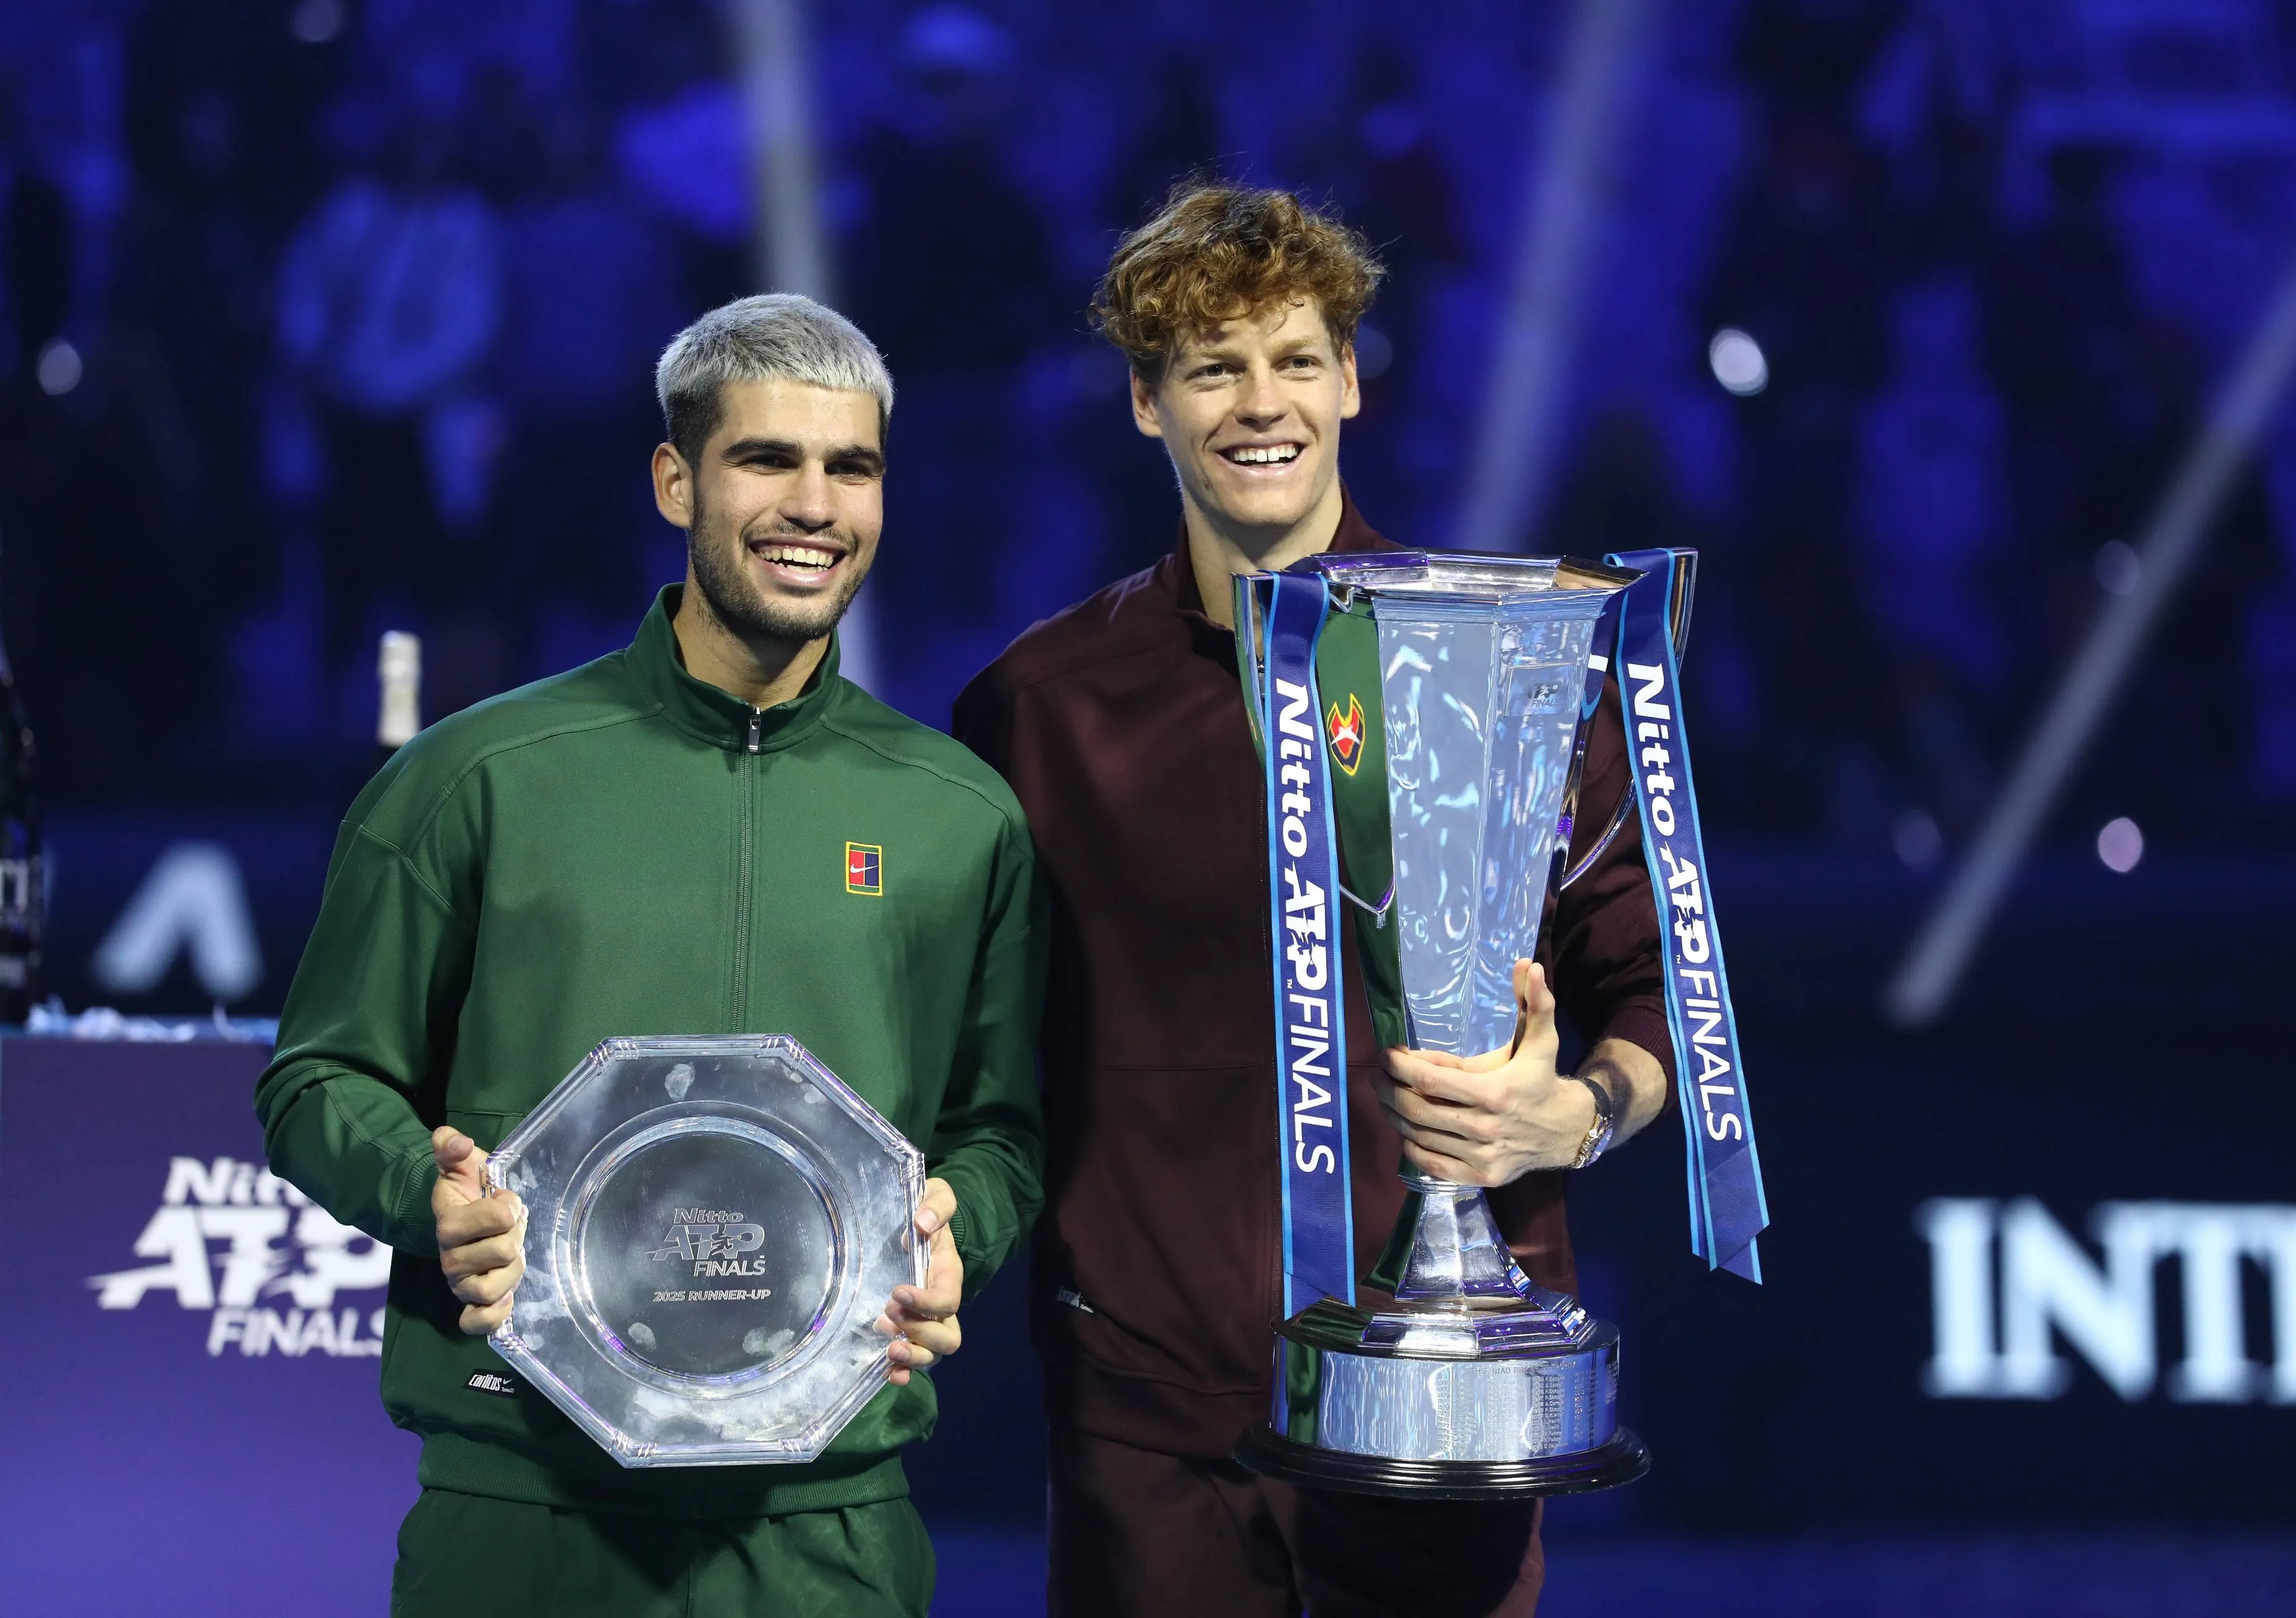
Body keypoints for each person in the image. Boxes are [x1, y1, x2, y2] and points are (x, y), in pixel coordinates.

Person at [257, 293, 1045, 1618]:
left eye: (851, 468)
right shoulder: (477, 776)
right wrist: (427, 1196)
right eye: (767, 460)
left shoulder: (958, 815)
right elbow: (316, 1078)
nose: (815, 505)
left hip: (828, 1529)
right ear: (677, 480)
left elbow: (1000, 1129)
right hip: (526, 1509)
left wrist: (959, 1228)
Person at [952, 184, 1672, 1617]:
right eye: (1211, 368)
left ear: (1349, 379)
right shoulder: (1038, 708)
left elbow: (1655, 986)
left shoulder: (1511, 667)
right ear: (1146, 403)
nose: (1259, 404)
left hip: (1441, 1403)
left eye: (1293, 359)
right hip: (1153, 1414)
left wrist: (1576, 1114)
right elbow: (972, 1049)